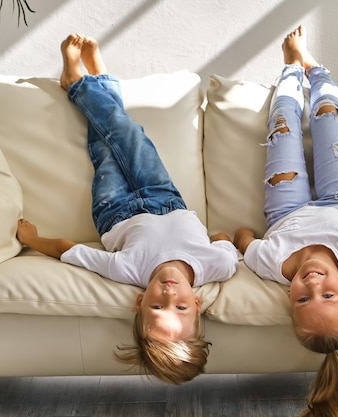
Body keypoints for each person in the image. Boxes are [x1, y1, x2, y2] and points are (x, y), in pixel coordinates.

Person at [17, 33, 239, 385]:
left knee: (104, 146)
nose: (168, 293)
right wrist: (218, 239)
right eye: (179, 307)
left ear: (139, 304)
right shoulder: (219, 265)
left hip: (115, 208)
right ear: (197, 304)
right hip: (165, 197)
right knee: (130, 135)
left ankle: (88, 81)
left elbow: (68, 251)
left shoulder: (128, 269)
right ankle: (85, 82)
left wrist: (32, 239)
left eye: (156, 306)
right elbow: (225, 240)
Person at [233, 26, 338, 416]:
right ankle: (314, 68)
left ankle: (291, 68)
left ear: (289, 300)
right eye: (328, 295)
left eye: (303, 299)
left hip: (285, 207)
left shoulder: (274, 266)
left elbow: (244, 239)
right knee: (327, 120)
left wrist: (243, 239)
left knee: (283, 125)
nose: (313, 284)